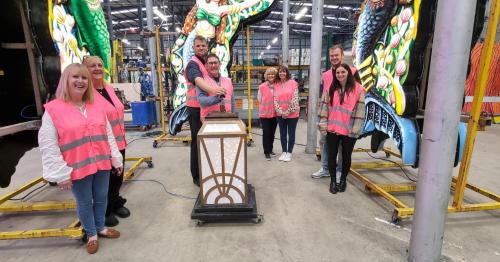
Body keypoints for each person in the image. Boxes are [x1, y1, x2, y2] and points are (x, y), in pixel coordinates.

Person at [38, 63, 123, 254]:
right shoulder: (54, 109)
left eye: (84, 78)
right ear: (65, 80)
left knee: (101, 198)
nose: (81, 81)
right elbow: (48, 144)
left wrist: (115, 158)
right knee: (84, 202)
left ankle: (100, 227)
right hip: (77, 167)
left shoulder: (96, 106)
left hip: (101, 163)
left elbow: (108, 134)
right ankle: (91, 234)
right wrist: (60, 173)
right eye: (75, 77)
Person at [83, 56, 130, 227]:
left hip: (120, 141)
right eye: (92, 66)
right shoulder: (86, 94)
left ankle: (115, 201)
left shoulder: (108, 88)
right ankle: (104, 210)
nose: (97, 69)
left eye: (100, 65)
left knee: (118, 176)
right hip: (101, 145)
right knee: (104, 180)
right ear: (84, 70)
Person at [185, 35, 226, 186]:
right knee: (197, 141)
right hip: (196, 108)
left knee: (207, 141)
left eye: (203, 45)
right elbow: (198, 81)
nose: (201, 48)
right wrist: (215, 90)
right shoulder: (193, 65)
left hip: (207, 108)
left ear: (207, 47)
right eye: (198, 46)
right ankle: (196, 176)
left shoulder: (204, 63)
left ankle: (208, 171)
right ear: (193, 48)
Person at [312, 45, 357, 179]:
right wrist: (321, 113)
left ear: (342, 55)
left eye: (336, 55)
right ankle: (325, 168)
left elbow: (359, 94)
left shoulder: (353, 72)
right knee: (325, 142)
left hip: (345, 117)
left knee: (343, 146)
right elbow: (324, 94)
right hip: (329, 116)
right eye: (331, 56)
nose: (334, 58)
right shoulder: (326, 75)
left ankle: (340, 171)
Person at [319, 63, 366, 194]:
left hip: (349, 130)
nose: (340, 75)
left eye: (343, 72)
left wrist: (355, 130)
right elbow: (324, 107)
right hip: (332, 129)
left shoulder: (358, 89)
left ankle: (343, 180)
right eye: (338, 73)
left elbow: (360, 111)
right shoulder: (331, 88)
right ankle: (333, 180)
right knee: (332, 155)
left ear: (348, 73)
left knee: (346, 157)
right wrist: (323, 125)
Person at [274, 65, 299, 162]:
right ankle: (284, 151)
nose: (282, 73)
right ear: (278, 73)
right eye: (280, 71)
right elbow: (275, 99)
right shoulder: (276, 84)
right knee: (283, 134)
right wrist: (281, 112)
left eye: (284, 71)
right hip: (281, 114)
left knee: (291, 134)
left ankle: (289, 153)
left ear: (287, 73)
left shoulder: (293, 83)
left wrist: (287, 112)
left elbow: (295, 99)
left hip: (292, 114)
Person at [197, 54, 235, 119]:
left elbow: (232, 102)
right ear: (206, 66)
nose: (213, 65)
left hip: (227, 117)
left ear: (220, 64)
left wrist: (233, 116)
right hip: (209, 119)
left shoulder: (228, 81)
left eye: (215, 63)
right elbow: (201, 101)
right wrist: (217, 98)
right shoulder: (202, 81)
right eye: (210, 63)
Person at [258, 67, 278, 161]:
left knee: (272, 133)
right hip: (265, 114)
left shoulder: (278, 85)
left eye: (273, 74)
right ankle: (266, 152)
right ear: (266, 76)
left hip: (275, 114)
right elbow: (259, 99)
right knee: (266, 132)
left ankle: (271, 149)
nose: (271, 76)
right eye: (269, 74)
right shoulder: (262, 86)